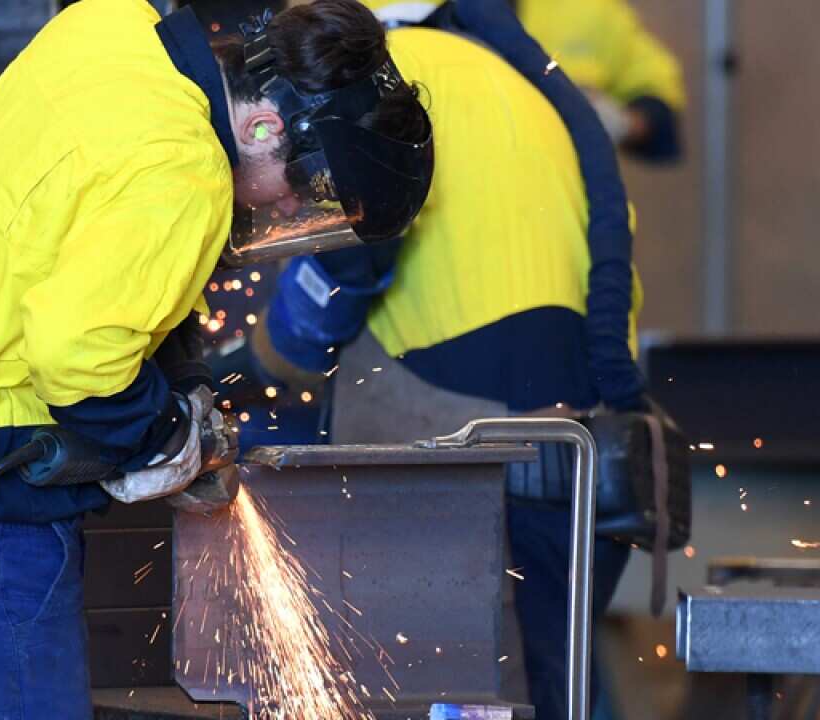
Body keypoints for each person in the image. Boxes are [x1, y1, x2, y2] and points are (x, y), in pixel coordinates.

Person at [0, 0, 433, 717]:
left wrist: (182, 377)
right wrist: (165, 438)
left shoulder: (109, 27)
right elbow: (77, 358)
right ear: (264, 126)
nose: (286, 212)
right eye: (303, 191)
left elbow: (82, 241)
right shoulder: (187, 171)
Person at [223, 2, 645, 718]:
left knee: (438, 689)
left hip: (465, 439)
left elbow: (345, 270)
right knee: (556, 687)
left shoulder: (374, 88)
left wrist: (260, 360)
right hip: (585, 440)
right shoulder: (524, 77)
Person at [365, 0, 686, 161]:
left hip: (561, 231)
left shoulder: (588, 10)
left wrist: (623, 123)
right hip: (421, 232)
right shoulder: (380, 7)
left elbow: (661, 115)